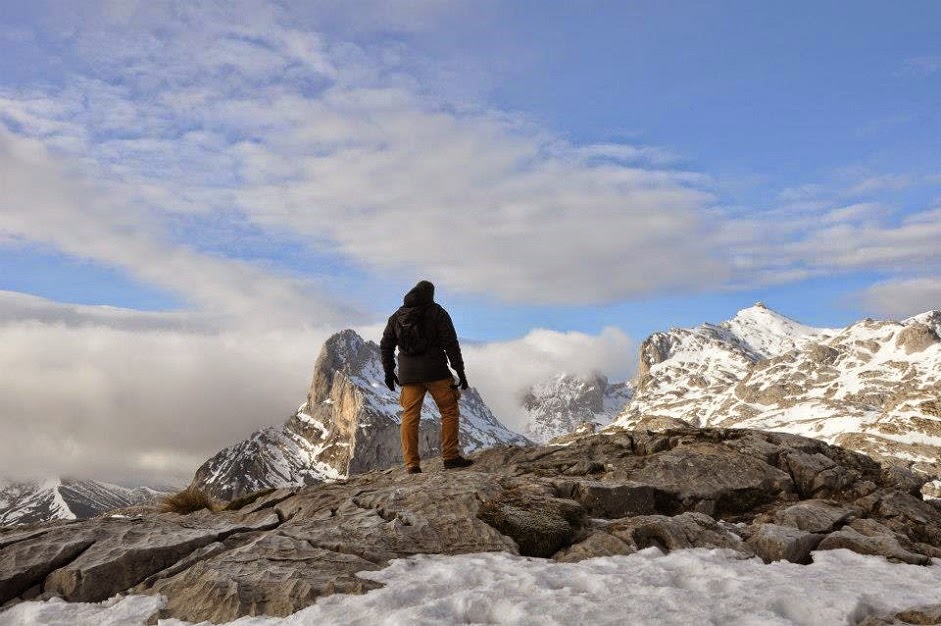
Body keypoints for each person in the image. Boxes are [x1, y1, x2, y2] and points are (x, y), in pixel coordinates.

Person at [380, 280, 473, 474]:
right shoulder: (437, 312)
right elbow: (451, 344)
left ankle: (412, 464)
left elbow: (386, 345)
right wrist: (460, 370)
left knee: (410, 416)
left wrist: (389, 371)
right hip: (436, 371)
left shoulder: (396, 317)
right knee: (448, 411)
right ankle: (450, 457)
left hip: (408, 375)